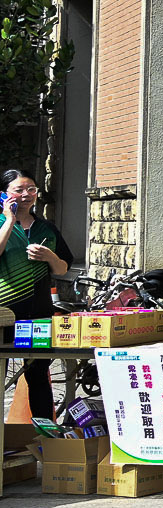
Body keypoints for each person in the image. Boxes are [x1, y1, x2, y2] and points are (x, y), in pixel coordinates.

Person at [0, 170, 72, 421]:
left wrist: (50, 257)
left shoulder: (46, 228)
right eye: (18, 190)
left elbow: (62, 268)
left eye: (31, 189)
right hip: (4, 317)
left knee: (38, 375)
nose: (26, 195)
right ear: (4, 195)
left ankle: (46, 436)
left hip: (38, 316)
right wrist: (9, 220)